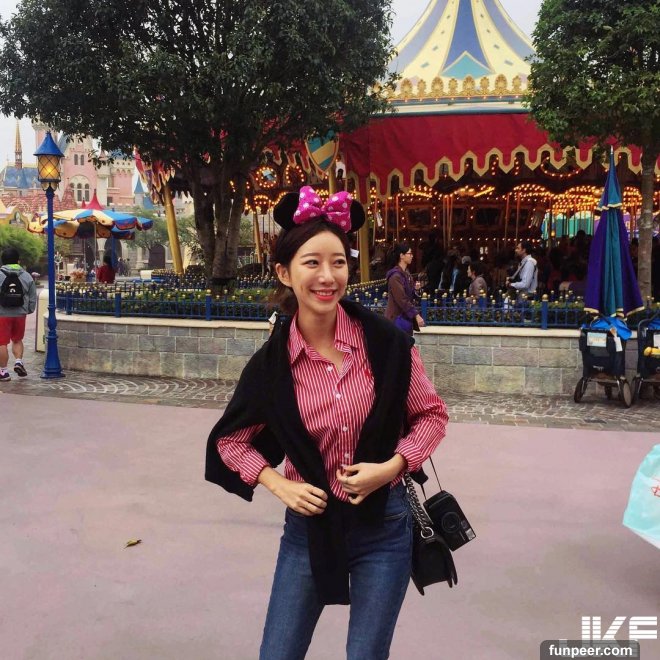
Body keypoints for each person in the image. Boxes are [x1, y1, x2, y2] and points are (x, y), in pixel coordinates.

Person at [205, 186, 448, 660]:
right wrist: (278, 483)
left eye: (338, 262)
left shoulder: (386, 346)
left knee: (366, 654)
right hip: (308, 529)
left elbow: (431, 415)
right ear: (284, 272)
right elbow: (230, 442)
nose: (327, 276)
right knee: (278, 652)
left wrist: (392, 466)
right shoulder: (272, 365)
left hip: (385, 526)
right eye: (311, 262)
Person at [0, 248, 37, 381]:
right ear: (18, 261)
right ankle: (18, 362)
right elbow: (32, 296)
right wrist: (29, 309)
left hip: (2, 314)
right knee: (17, 339)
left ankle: (3, 372)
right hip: (20, 314)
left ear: (2, 261)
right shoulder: (26, 276)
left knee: (2, 343)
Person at [385, 243, 425, 335]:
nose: (412, 256)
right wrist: (416, 315)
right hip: (396, 319)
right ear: (402, 256)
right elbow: (402, 299)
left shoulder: (406, 274)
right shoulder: (395, 276)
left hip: (404, 318)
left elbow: (409, 295)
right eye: (409, 253)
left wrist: (416, 289)